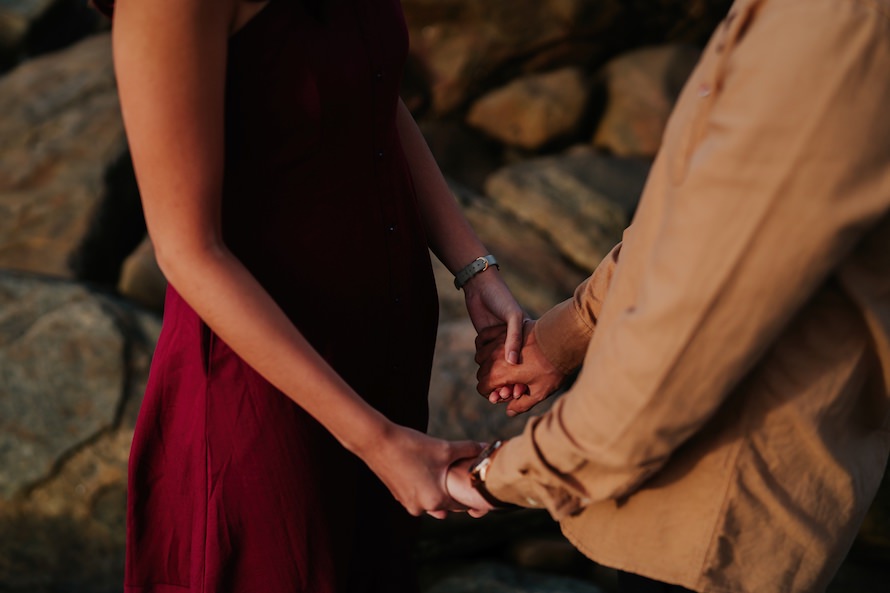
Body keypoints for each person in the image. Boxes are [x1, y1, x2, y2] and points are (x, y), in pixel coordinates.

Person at [447, 0, 890, 592]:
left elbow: (688, 333)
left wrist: (489, 476)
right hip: (695, 515)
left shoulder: (843, 25)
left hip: (722, 528)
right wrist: (568, 332)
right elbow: (695, 214)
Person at [98, 0, 524, 591]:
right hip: (265, 384)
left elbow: (371, 96)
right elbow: (188, 250)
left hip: (386, 361)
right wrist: (378, 442)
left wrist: (476, 271)